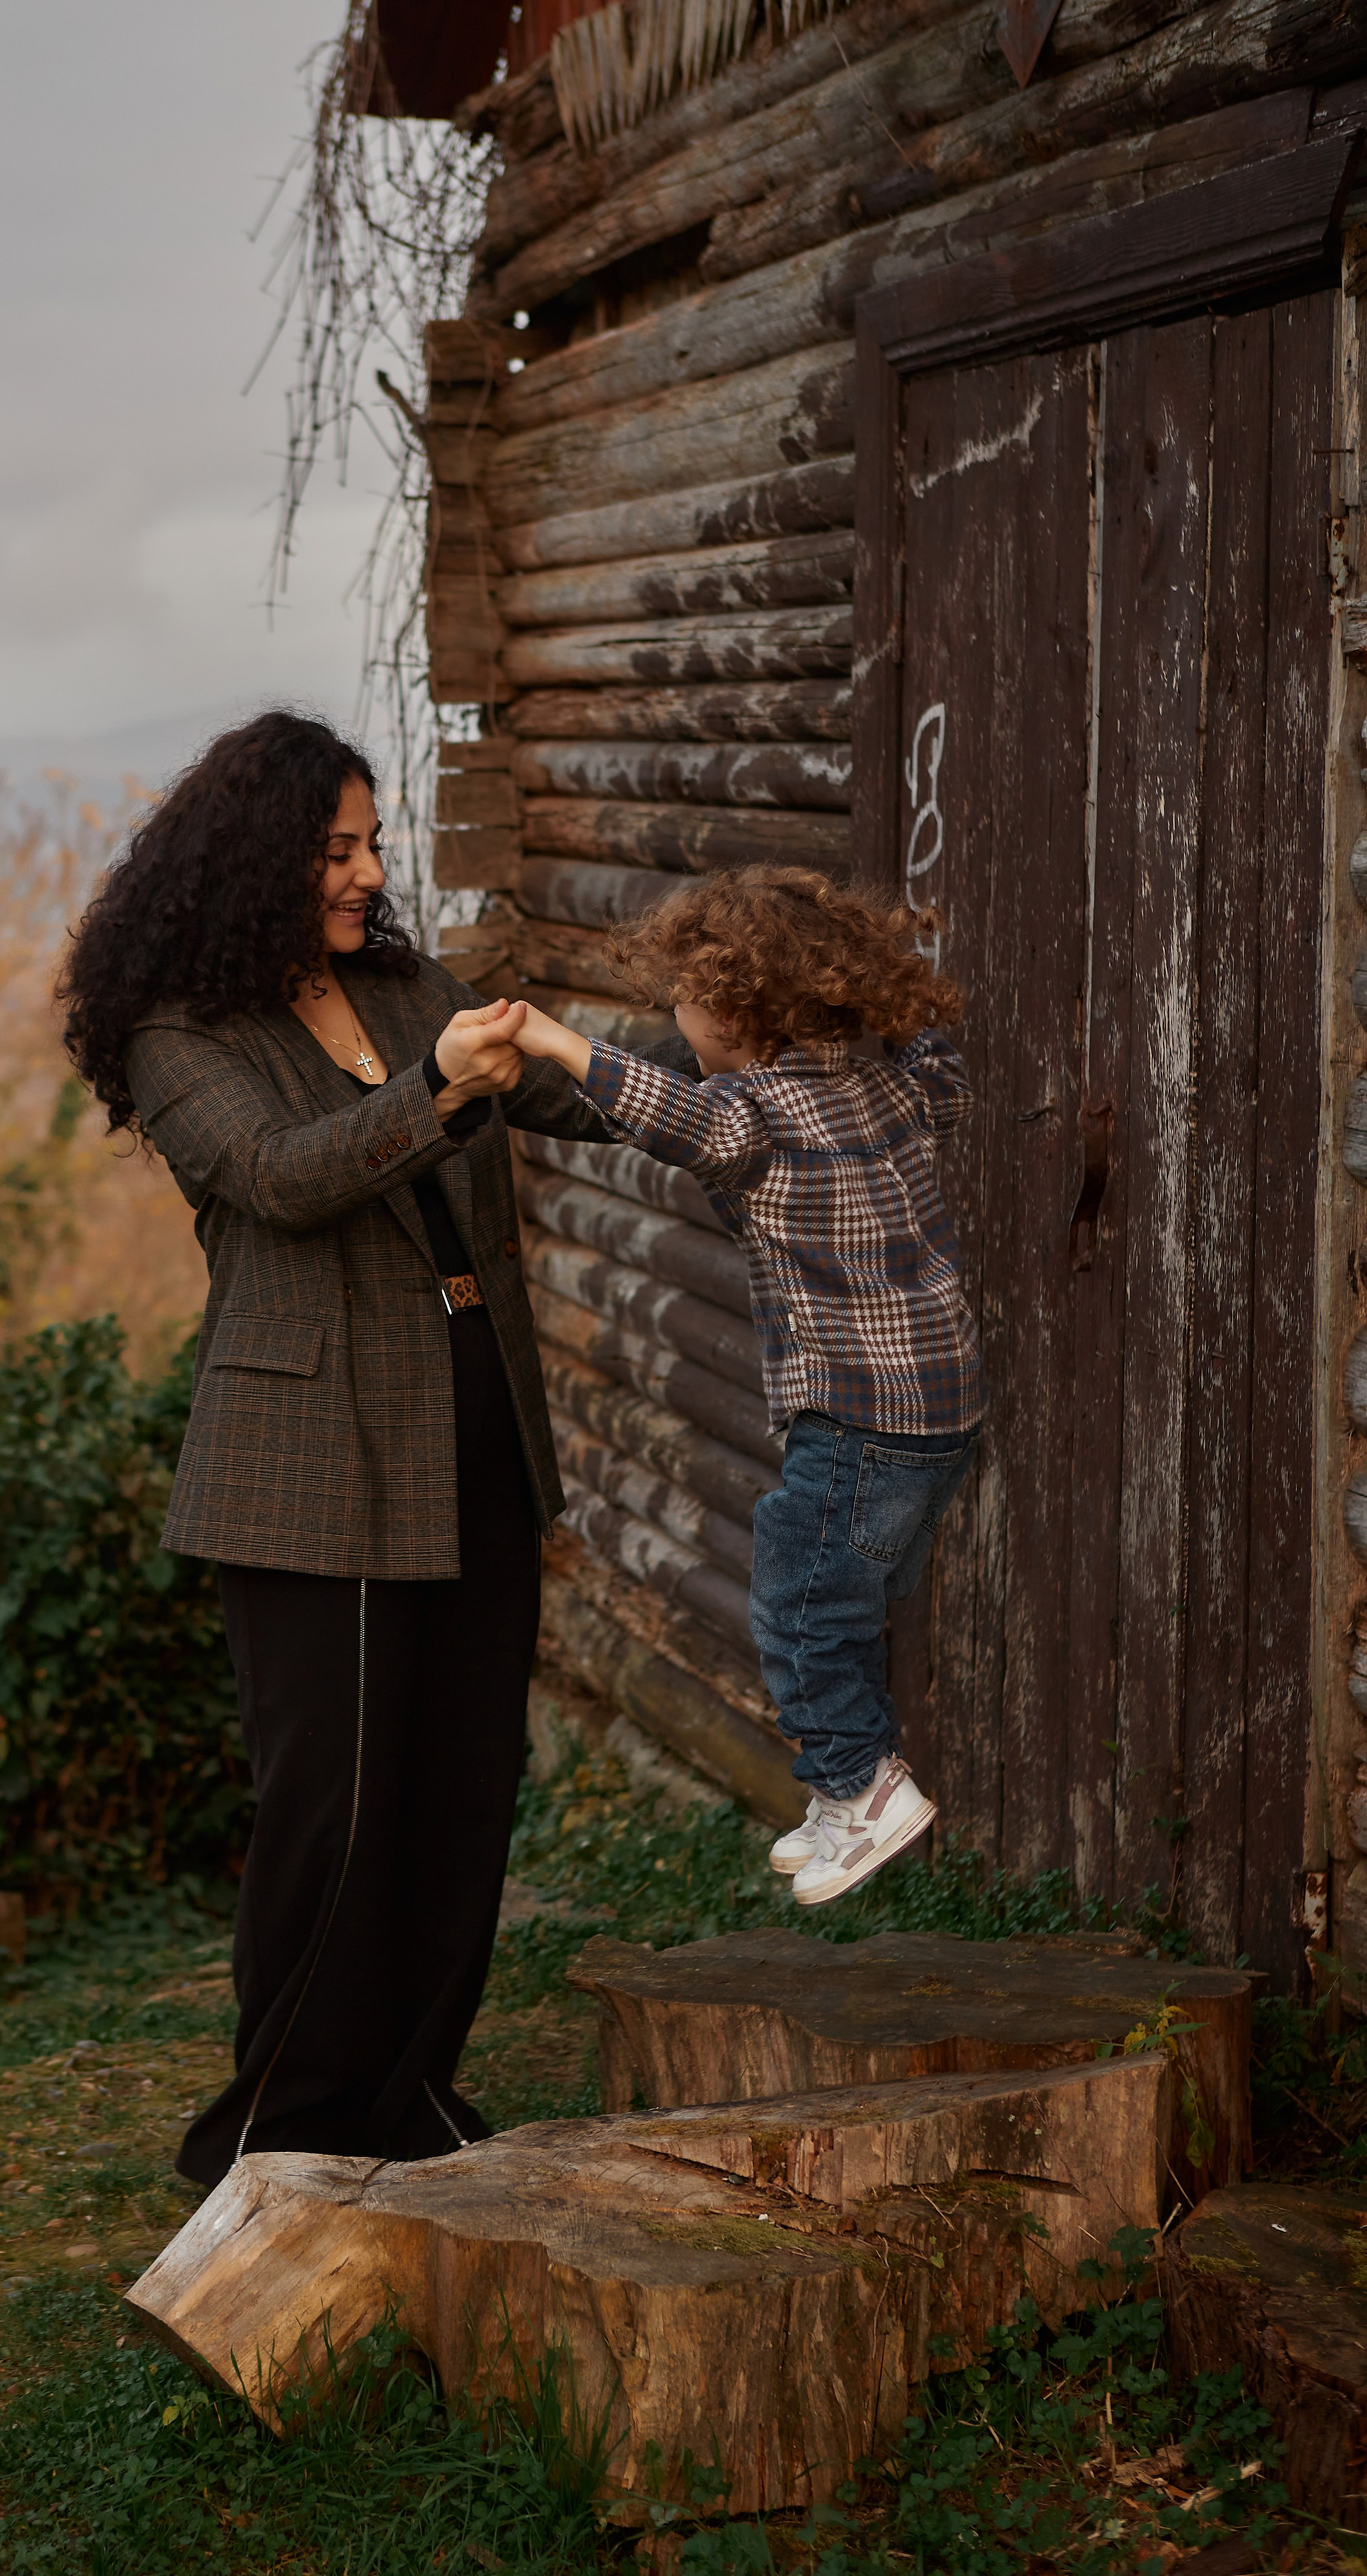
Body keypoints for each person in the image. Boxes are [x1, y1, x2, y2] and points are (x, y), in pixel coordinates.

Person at [57, 708, 673, 2188]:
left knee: (459, 1792)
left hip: (470, 1421)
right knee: (331, 1814)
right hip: (307, 1460)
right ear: (253, 859)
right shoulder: (181, 1034)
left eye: (372, 842)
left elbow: (564, 1093)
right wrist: (440, 1087)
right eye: (335, 849)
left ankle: (407, 2102)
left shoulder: (404, 985)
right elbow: (281, 1178)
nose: (364, 871)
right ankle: (272, 2138)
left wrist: (719, 1049)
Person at [507, 864, 983, 1907]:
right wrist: (884, 1001)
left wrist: (552, 1041)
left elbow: (668, 1109)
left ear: (731, 1011)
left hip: (860, 1412)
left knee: (799, 1602)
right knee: (841, 1592)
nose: (678, 1025)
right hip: (943, 1404)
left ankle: (863, 1787)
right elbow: (940, 1061)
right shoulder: (895, 1079)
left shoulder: (751, 1114)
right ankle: (836, 1785)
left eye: (684, 1004)